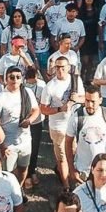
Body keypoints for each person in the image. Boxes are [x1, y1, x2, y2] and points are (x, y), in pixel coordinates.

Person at [0, 66, 40, 185]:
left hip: (26, 141)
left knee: (23, 168)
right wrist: (2, 146)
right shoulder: (0, 98)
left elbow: (36, 110)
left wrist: (30, 120)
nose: (15, 80)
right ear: (6, 79)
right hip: (8, 144)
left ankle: (19, 188)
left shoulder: (27, 92)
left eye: (18, 77)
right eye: (12, 77)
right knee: (9, 174)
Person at [41, 54, 84, 186]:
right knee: (62, 157)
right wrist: (60, 109)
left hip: (75, 124)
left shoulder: (76, 80)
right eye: (58, 67)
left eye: (63, 67)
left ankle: (75, 180)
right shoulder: (50, 86)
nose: (60, 70)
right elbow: (43, 109)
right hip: (58, 126)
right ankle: (66, 186)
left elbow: (84, 98)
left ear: (68, 67)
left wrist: (77, 99)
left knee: (75, 154)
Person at [65, 85, 106, 185]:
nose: (89, 104)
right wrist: (71, 169)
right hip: (82, 171)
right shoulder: (76, 117)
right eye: (87, 100)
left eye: (93, 101)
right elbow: (68, 143)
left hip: (103, 170)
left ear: (100, 100)